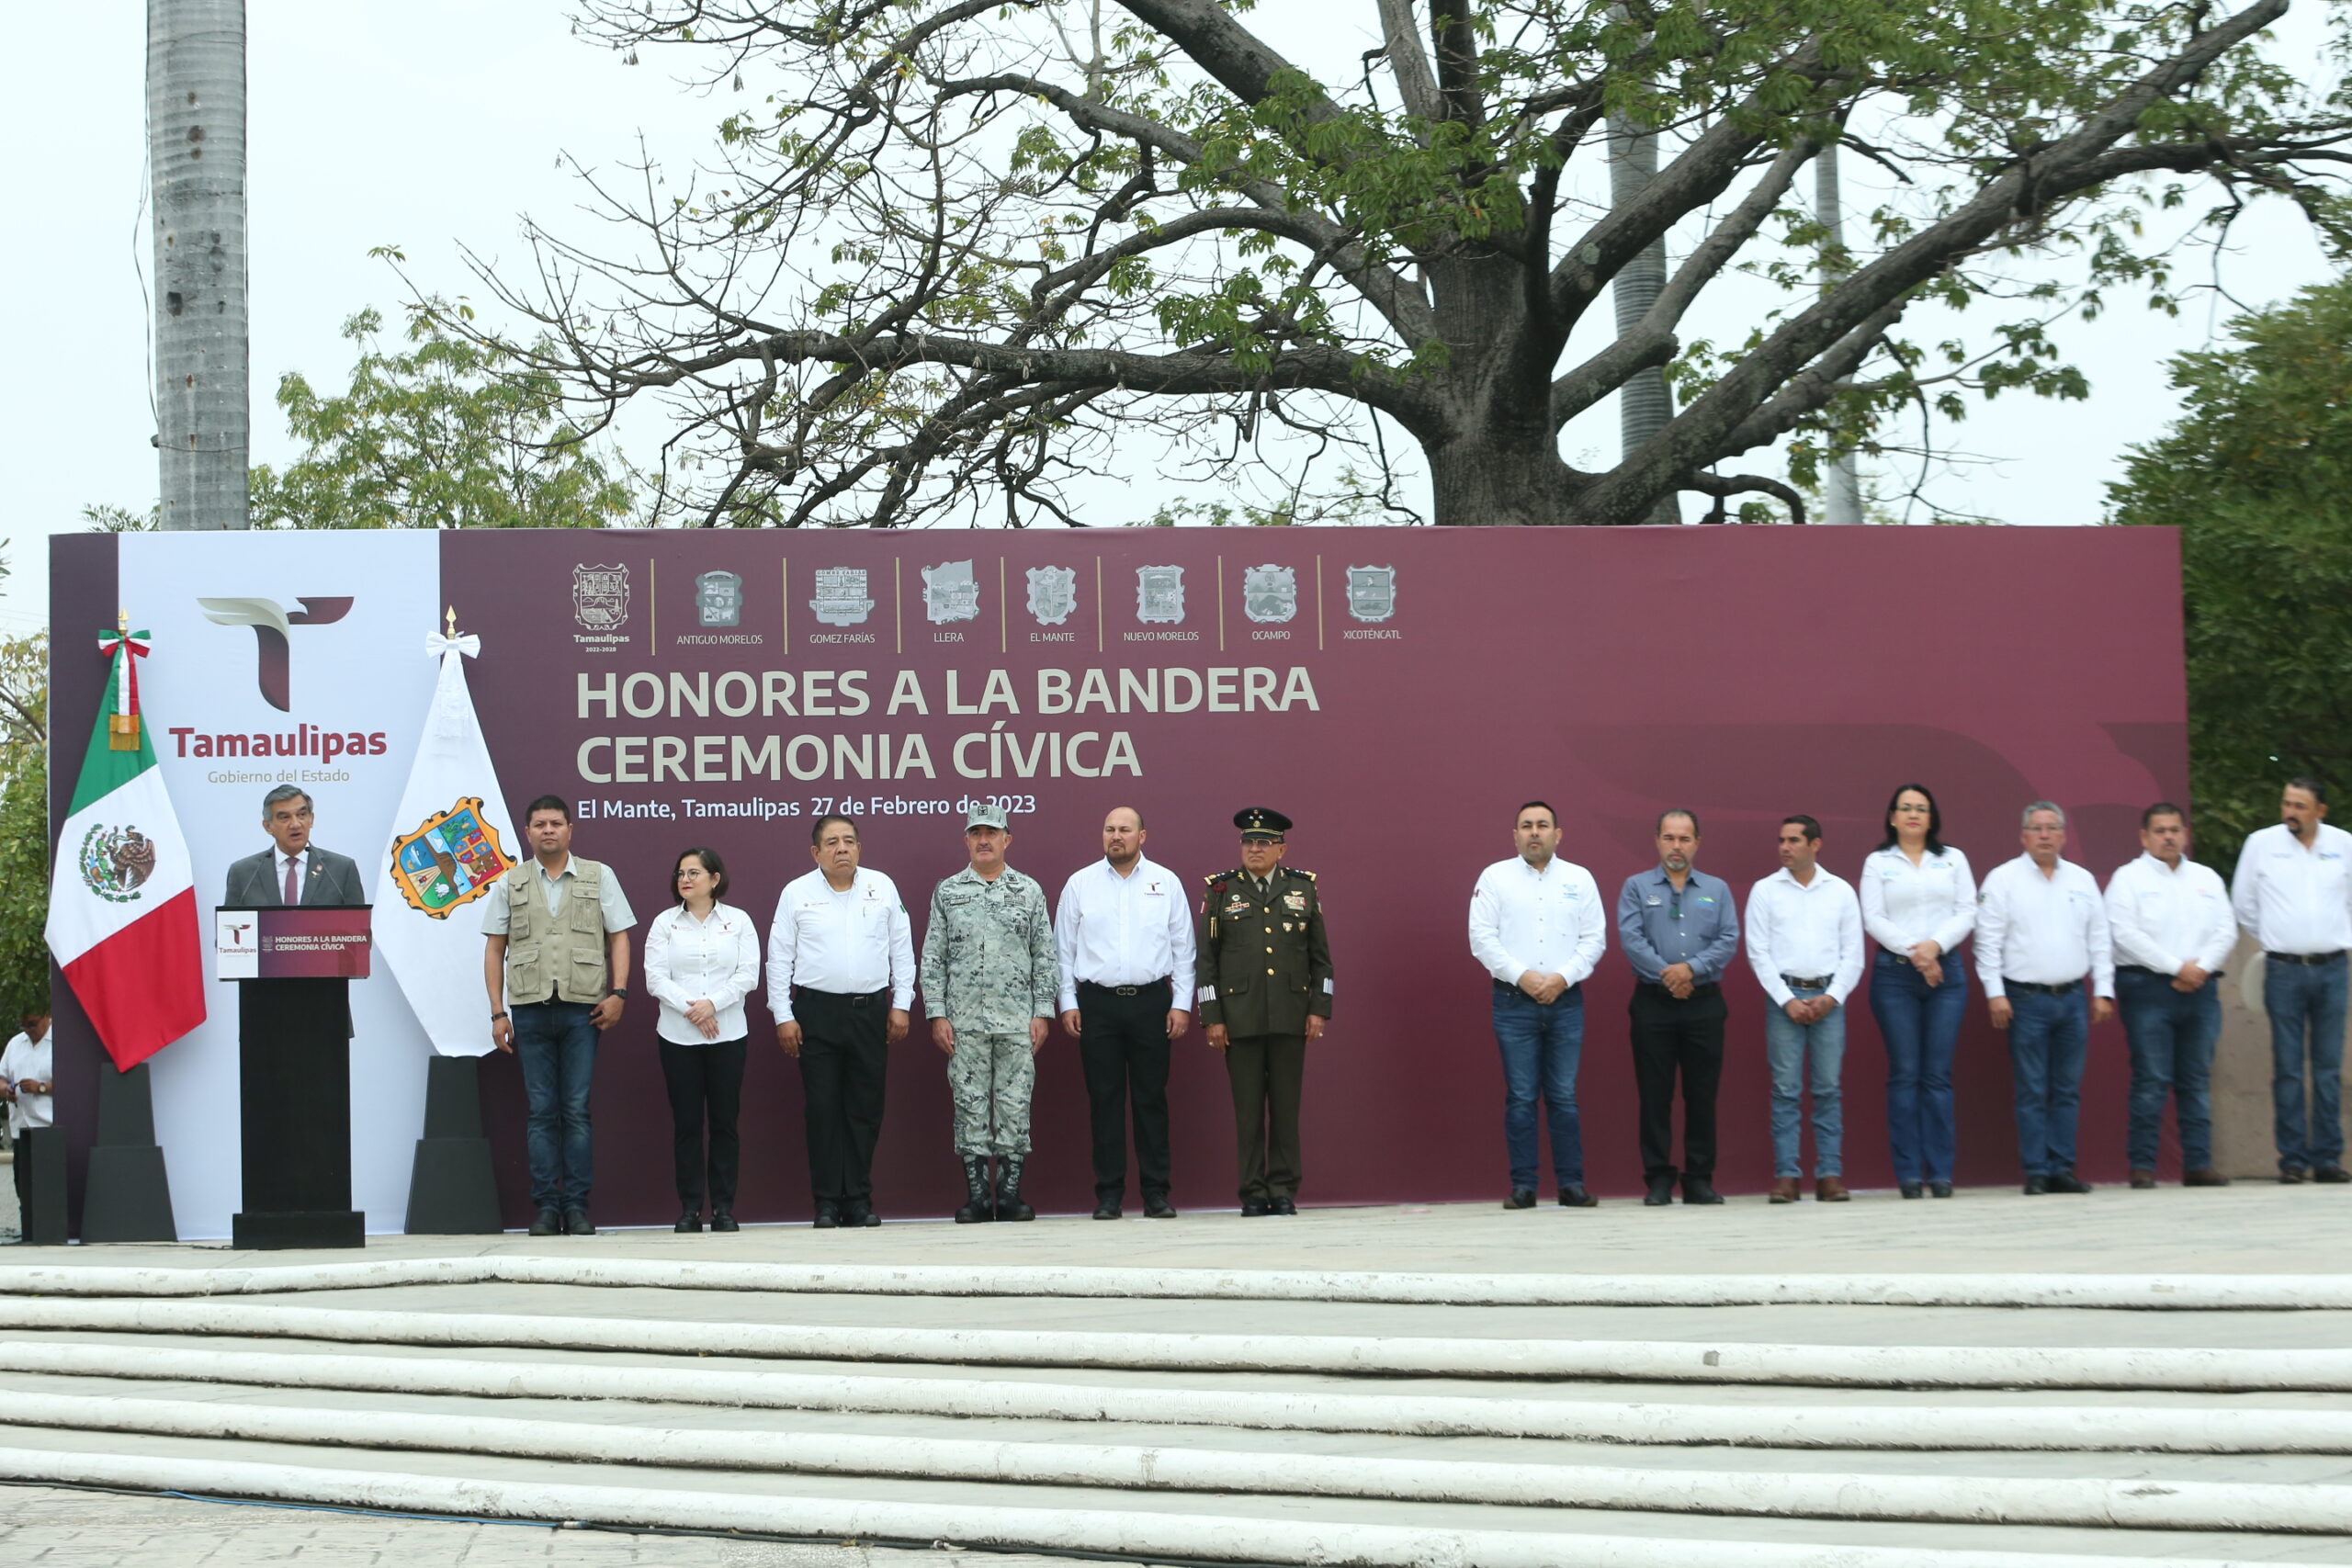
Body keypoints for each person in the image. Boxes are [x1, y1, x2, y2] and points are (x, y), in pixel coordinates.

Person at [482, 795, 637, 1237]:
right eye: (539, 824)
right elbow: (495, 948)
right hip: (529, 1010)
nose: (548, 830)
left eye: (555, 823)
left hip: (582, 1009)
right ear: (527, 832)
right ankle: (547, 1208)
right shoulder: (509, 882)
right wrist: (498, 1011)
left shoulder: (598, 874)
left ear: (571, 829)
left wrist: (619, 993)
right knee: (541, 1112)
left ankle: (577, 1207)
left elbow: (619, 936)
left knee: (576, 1110)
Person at [768, 814, 915, 1228]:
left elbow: (901, 950)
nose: (842, 849)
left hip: (870, 1012)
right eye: (831, 842)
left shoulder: (881, 886)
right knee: (822, 1108)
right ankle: (827, 1202)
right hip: (815, 1012)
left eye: (849, 841)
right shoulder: (797, 893)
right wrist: (783, 1014)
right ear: (815, 852)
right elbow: (779, 956)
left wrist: (901, 1003)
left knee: (865, 1108)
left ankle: (860, 1200)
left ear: (860, 848)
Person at [922, 805, 1060, 1224]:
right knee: (970, 1105)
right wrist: (937, 1014)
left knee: (1016, 1105)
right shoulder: (948, 891)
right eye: (976, 832)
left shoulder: (1028, 891)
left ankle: (1012, 1194)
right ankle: (979, 1196)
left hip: (1018, 1022)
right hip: (965, 1024)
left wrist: (1042, 1011)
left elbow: (1044, 955)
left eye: (992, 832)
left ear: (1006, 840)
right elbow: (933, 958)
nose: (984, 840)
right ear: (966, 840)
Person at [1055, 807, 1195, 1220]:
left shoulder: (1165, 882)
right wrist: (1068, 1002)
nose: (1116, 836)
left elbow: (1184, 949)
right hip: (1097, 1005)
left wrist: (1181, 1004)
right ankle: (1110, 1194)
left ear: (1142, 836)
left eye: (1125, 830)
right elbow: (1064, 951)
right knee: (1105, 1101)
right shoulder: (1080, 884)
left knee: (1151, 1101)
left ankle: (1155, 1193)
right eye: (1110, 830)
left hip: (1152, 1003)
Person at [1467, 800, 1607, 1210]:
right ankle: (1524, 1186)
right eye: (1526, 826)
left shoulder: (1580, 879)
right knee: (1522, 1096)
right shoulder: (1495, 878)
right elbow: (1481, 938)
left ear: (1557, 834)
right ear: (1515, 835)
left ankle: (1571, 1185)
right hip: (1513, 1001)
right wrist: (1523, 976)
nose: (1534, 832)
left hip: (1566, 1000)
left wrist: (1562, 977)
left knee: (1564, 1096)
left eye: (1542, 825)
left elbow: (1594, 938)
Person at [1197, 807, 1334, 1216]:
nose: (1254, 849)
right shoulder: (1220, 890)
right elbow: (1207, 960)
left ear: (1281, 849)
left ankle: (1283, 1189)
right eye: (1248, 842)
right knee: (1248, 1111)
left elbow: (1321, 960)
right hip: (1240, 1017)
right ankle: (1253, 1192)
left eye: (1263, 843)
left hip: (1292, 1015)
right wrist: (1213, 1016)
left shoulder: (1303, 888)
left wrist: (1319, 1009)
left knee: (1286, 1109)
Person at [1977, 802, 2115, 1194]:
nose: (2044, 835)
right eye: (2036, 828)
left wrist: (2103, 990)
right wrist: (1995, 993)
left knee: (2068, 1089)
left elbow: (2100, 938)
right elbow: (1987, 943)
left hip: (2072, 997)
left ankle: (2062, 1168)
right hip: (2025, 1000)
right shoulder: (2002, 880)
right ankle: (2036, 1170)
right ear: (2022, 836)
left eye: (2052, 828)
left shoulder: (2082, 880)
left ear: (2063, 836)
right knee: (2032, 1088)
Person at [2105, 803, 2234, 1190]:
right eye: (2160, 831)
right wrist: (2176, 968)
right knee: (2151, 1078)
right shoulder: (2127, 879)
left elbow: (2226, 930)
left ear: (2185, 834)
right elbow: (2125, 934)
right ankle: (2143, 1166)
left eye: (2175, 829)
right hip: (2147, 989)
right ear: (2144, 837)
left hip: (2201, 989)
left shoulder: (2206, 878)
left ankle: (2198, 1164)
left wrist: (2201, 968)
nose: (2169, 837)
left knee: (2195, 1078)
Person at [1616, 809, 1740, 1206]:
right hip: (1653, 1005)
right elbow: (1632, 940)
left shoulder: (1717, 890)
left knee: (1702, 1095)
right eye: (1669, 838)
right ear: (1657, 841)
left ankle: (1699, 1179)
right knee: (1655, 1095)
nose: (1676, 846)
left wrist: (1691, 969)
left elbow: (1728, 940)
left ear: (1697, 843)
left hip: (1704, 1005)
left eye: (1685, 839)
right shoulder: (1636, 886)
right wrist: (1669, 974)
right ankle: (1657, 1179)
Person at [2232, 776, 2352, 1184]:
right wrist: (2276, 939)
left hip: (2334, 968)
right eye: (2286, 803)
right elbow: (2243, 903)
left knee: (2328, 1067)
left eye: (2300, 806)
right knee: (2288, 1067)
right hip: (2283, 970)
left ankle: (2328, 1159)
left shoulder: (2343, 844)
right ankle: (2293, 1160)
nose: (2290, 813)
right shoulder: (2261, 844)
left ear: (2320, 811)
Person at [1860, 783, 1975, 1199]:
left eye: (1921, 808)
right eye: (1905, 808)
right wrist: (1916, 953)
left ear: (1932, 818)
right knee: (1906, 1074)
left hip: (1947, 977)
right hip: (1895, 978)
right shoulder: (1878, 862)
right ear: (1892, 817)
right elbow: (1873, 918)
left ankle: (1941, 1172)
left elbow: (1967, 912)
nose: (1913, 814)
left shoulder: (1953, 860)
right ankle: (1909, 1174)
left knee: (1937, 1077)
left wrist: (1935, 948)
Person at [1744, 816, 1864, 1203]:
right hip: (1785, 997)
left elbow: (1854, 955)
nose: (1785, 847)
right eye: (1781, 840)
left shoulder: (1841, 891)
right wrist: (1787, 1000)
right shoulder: (1765, 891)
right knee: (1785, 1091)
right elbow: (1758, 953)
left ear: (1816, 845)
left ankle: (1830, 1174)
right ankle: (1787, 1176)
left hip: (1830, 995)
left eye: (1794, 840)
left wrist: (1832, 997)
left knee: (1828, 1089)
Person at [642, 847, 762, 1233]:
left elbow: (748, 975)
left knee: (725, 1124)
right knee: (688, 1125)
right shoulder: (664, 923)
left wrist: (713, 1004)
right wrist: (692, 1010)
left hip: (728, 1035)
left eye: (694, 872)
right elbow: (655, 978)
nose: (685, 879)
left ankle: (724, 1208)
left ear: (714, 879)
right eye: (680, 873)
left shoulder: (738, 921)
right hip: (678, 1037)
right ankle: (690, 1209)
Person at [221, 785, 368, 907]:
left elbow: (359, 933)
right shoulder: (244, 873)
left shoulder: (341, 870)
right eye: (285, 817)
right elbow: (228, 933)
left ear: (311, 819)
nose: (295, 824)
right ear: (268, 826)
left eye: (302, 815)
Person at [0, 1010, 52, 1236]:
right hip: (21, 1125)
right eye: (23, 1026)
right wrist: (4, 1088)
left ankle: (49, 1232)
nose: (28, 1031)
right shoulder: (15, 1044)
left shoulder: (61, 1041)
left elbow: (76, 1080)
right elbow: (2, 1075)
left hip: (49, 1127)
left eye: (32, 1025)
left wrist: (41, 1087)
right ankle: (29, 1233)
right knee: (24, 1186)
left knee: (48, 1187)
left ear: (46, 1017)